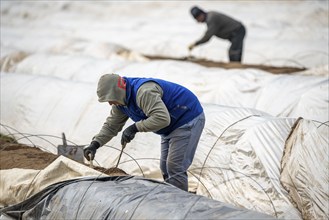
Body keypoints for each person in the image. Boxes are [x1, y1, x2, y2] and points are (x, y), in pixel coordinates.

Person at [83, 73, 205, 191]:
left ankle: (181, 205)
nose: (110, 103)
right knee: (165, 167)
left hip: (187, 118)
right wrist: (95, 143)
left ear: (117, 91)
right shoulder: (120, 102)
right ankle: (171, 200)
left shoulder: (143, 92)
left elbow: (162, 118)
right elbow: (111, 125)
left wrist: (135, 128)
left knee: (175, 167)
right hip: (170, 126)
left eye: (110, 98)